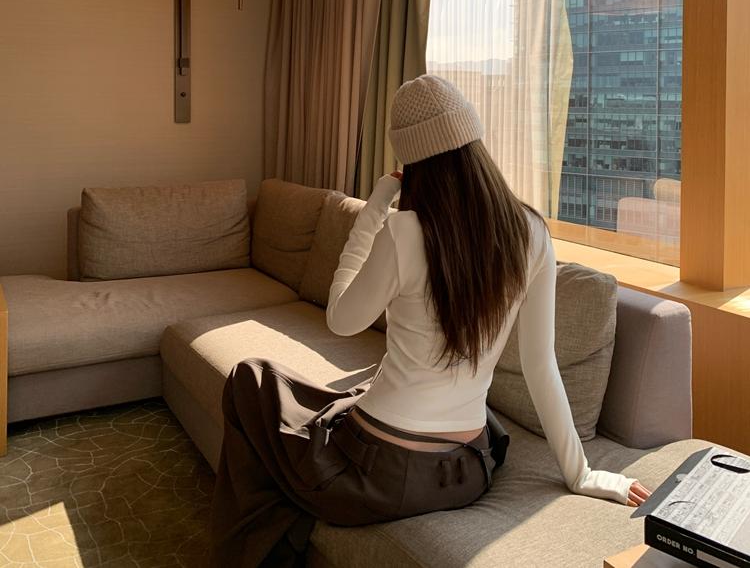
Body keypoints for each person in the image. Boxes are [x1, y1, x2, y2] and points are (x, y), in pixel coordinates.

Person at [210, 75, 651, 567]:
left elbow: (340, 320)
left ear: (411, 163)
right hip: (469, 470)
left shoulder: (403, 232)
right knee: (349, 395)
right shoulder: (531, 231)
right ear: (474, 142)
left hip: (379, 476)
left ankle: (249, 545)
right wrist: (581, 473)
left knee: (251, 377)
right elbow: (540, 365)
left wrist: (376, 206)